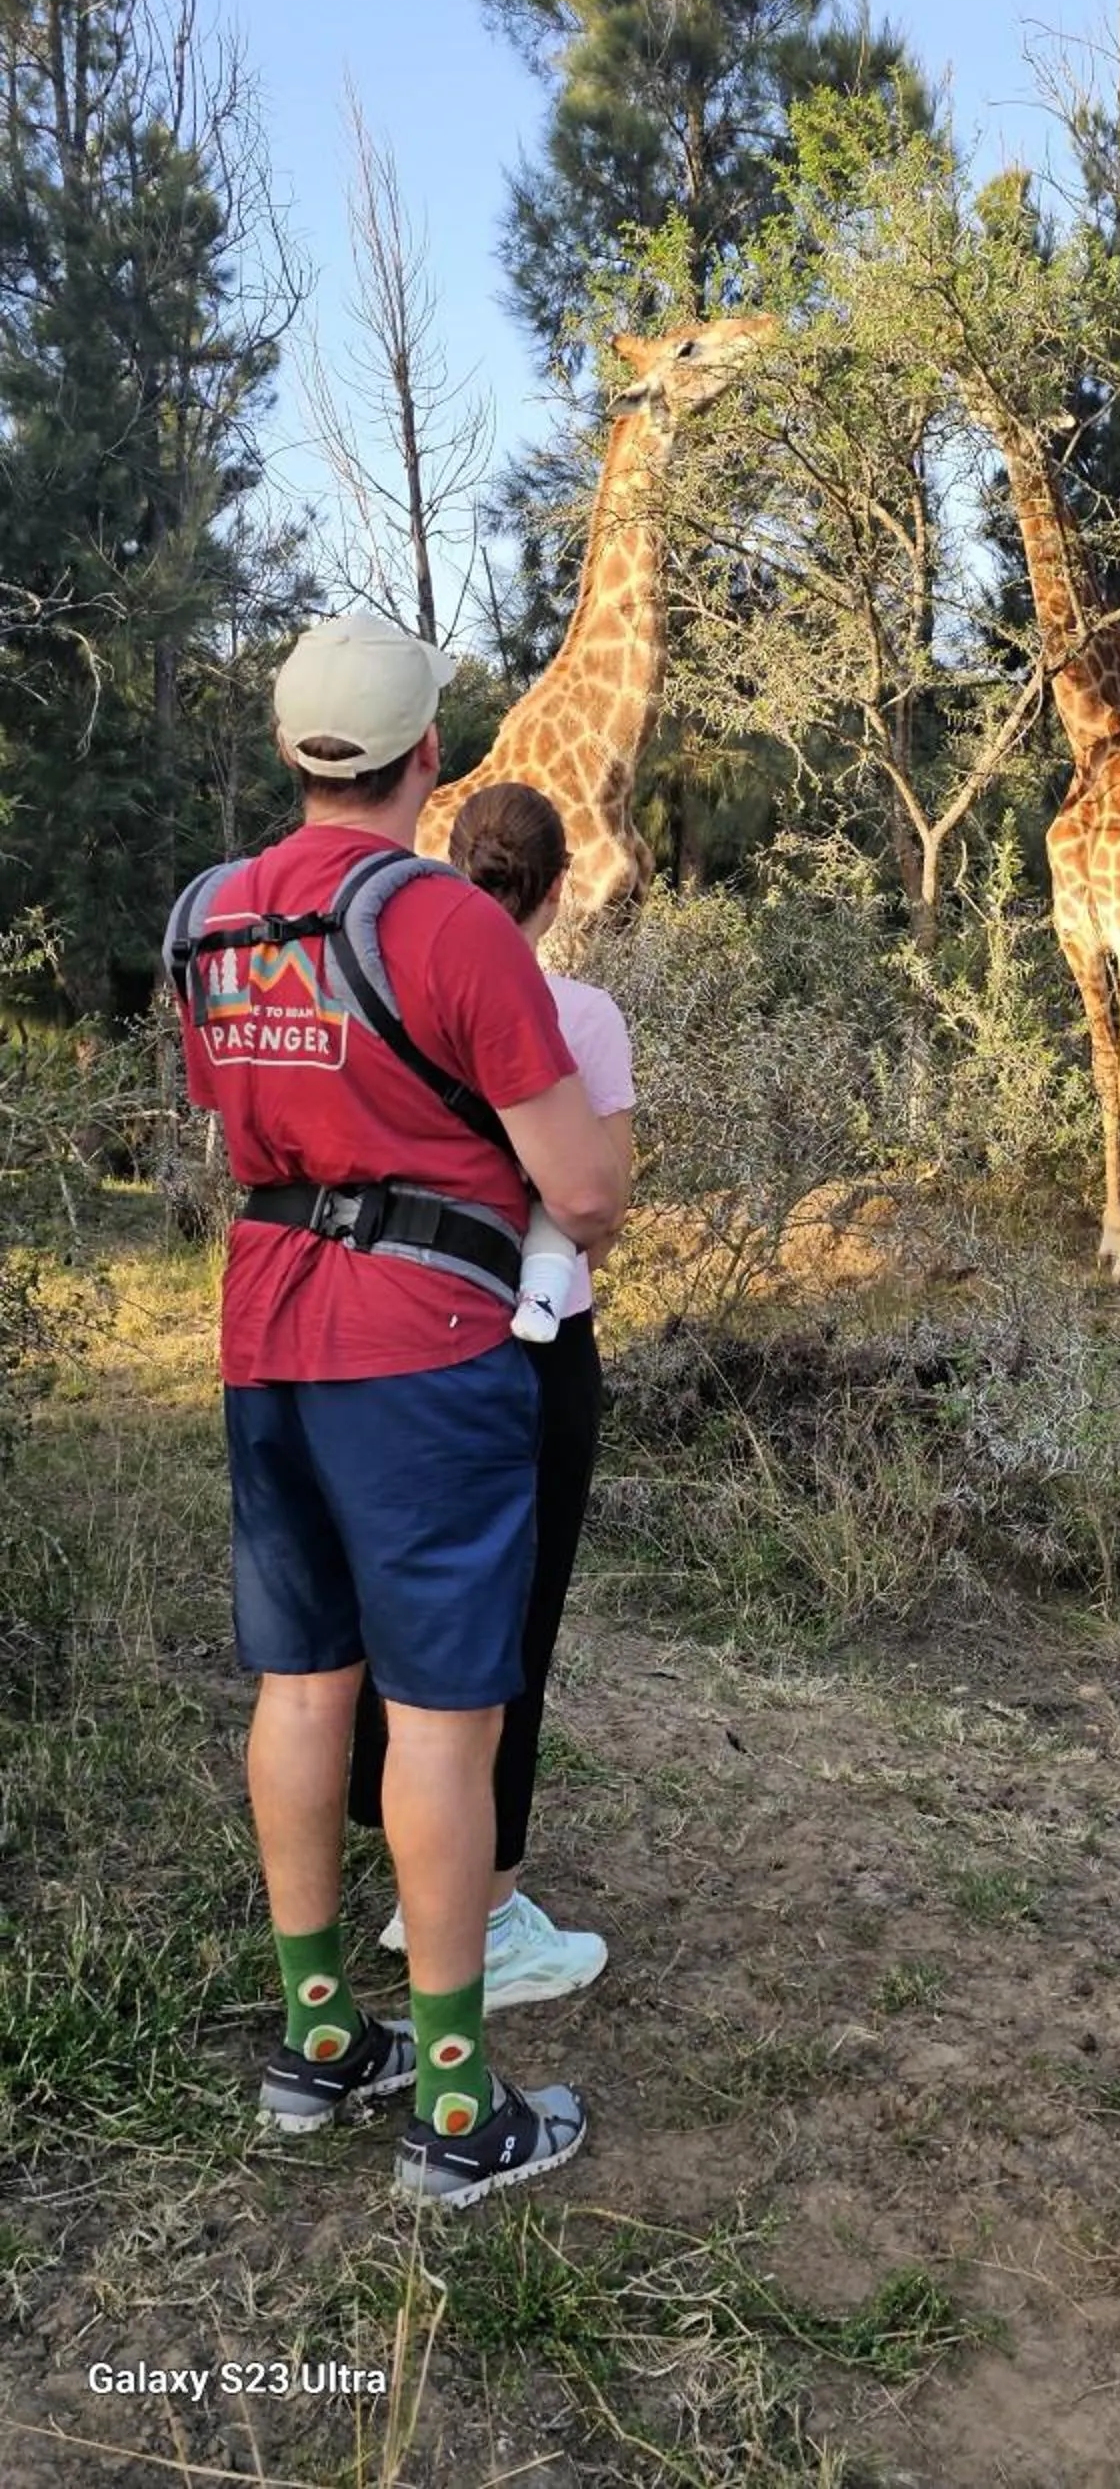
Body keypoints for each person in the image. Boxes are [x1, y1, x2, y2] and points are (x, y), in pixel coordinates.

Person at [163, 612, 627, 2208]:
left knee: (301, 1689)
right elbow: (582, 1184)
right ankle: (453, 2108)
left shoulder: (208, 917)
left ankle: (316, 2044)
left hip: (263, 1330)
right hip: (423, 1353)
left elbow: (231, 1107)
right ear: (430, 756)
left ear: (293, 752)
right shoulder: (447, 926)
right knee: (441, 1720)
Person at [367, 780, 635, 2008]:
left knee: (404, 1622)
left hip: (397, 1332)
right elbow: (595, 1211)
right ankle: (491, 1908)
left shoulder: (403, 992)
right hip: (531, 1352)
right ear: (561, 883)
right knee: (510, 1634)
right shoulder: (577, 1010)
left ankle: (407, 1894)